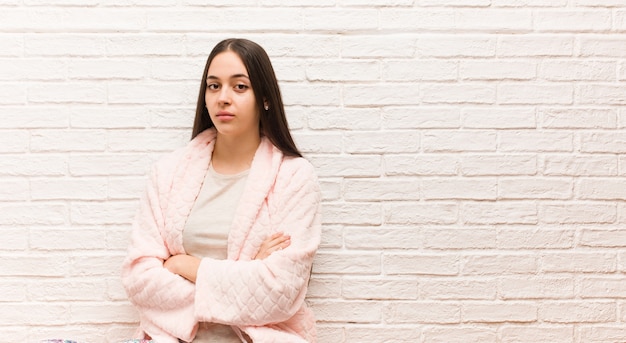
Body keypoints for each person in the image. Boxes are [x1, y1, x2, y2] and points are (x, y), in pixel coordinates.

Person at [121, 38, 322, 343]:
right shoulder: (169, 172)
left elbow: (281, 291)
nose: (223, 98)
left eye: (239, 87)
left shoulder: (294, 177)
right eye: (213, 86)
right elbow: (139, 278)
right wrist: (248, 271)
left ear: (265, 97)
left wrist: (186, 265)